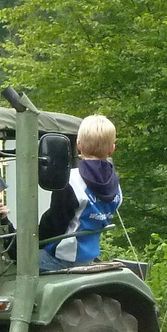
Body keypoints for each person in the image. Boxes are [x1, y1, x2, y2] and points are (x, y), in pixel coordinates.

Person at [40, 114, 122, 271]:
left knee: (14, 266)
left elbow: (54, 224)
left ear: (78, 145)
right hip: (88, 258)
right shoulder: (116, 187)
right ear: (112, 149)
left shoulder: (70, 180)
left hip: (60, 258)